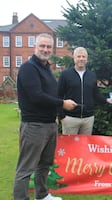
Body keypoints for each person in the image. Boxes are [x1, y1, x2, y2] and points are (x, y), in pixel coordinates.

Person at [14, 33, 77, 200]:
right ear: (35, 47)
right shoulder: (28, 68)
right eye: (42, 46)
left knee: (44, 165)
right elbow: (36, 96)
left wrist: (55, 114)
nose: (45, 49)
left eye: (49, 47)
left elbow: (50, 93)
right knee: (26, 168)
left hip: (49, 124)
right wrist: (62, 104)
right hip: (34, 125)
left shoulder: (46, 68)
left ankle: (41, 195)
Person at [57, 47, 112, 135]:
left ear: (87, 59)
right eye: (78, 56)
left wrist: (107, 100)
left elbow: (96, 94)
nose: (81, 59)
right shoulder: (65, 75)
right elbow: (58, 95)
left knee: (84, 147)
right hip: (70, 119)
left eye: (83, 57)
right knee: (71, 147)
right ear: (74, 58)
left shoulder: (92, 75)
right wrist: (61, 116)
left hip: (88, 119)